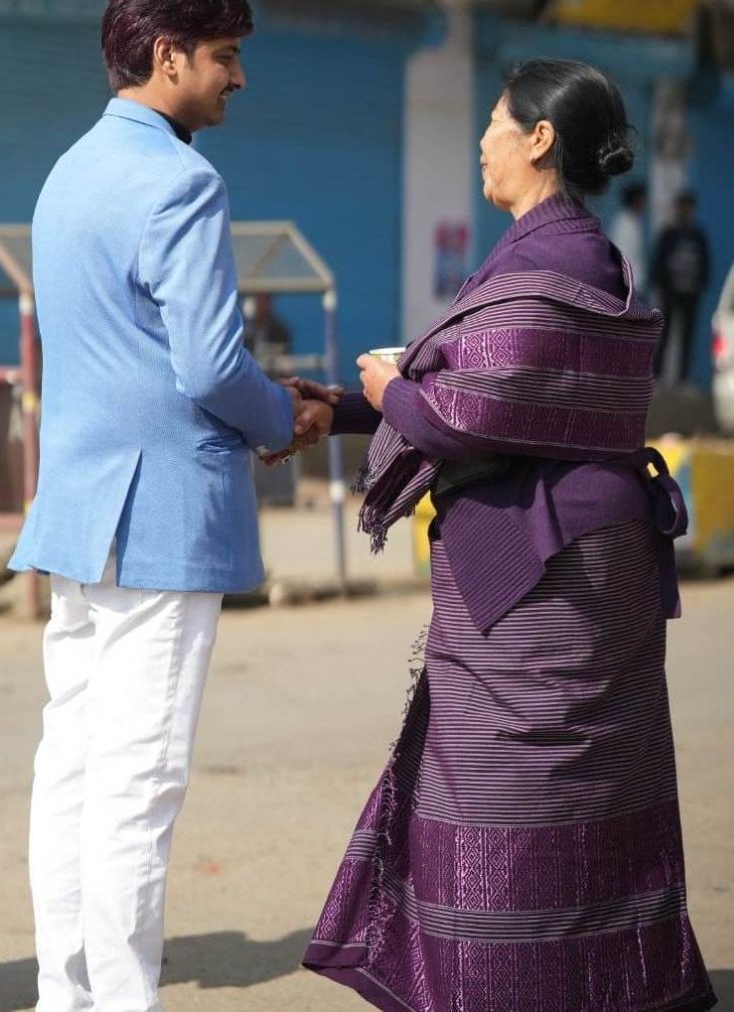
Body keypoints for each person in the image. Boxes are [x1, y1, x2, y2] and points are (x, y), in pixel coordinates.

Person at [292, 59, 715, 1011]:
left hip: (541, 575)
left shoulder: (544, 266)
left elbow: (459, 418)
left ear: (538, 139)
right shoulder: (569, 257)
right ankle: (601, 982)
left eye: (494, 121)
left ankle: (503, 984)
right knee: (581, 790)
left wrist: (385, 392)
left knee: (500, 798)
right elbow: (510, 403)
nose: (481, 138)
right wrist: (345, 410)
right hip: (589, 561)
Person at [8, 0, 331, 1012]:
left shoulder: (66, 172)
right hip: (161, 523)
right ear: (167, 56)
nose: (236, 79)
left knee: (72, 771)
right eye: (225, 55)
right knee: (136, 785)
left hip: (79, 515)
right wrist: (285, 418)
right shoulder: (183, 182)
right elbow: (207, 367)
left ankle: (67, 995)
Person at [652, 190, 711, 383]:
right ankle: (658, 375)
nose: (686, 210)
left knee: (688, 336)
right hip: (670, 292)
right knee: (665, 332)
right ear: (678, 208)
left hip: (691, 293)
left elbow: (705, 262)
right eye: (683, 206)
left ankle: (683, 378)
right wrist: (660, 284)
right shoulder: (669, 233)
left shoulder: (698, 235)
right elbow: (659, 261)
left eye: (689, 206)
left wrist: (702, 284)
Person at [610, 180, 648, 296]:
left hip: (633, 286)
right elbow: (622, 257)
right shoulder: (624, 224)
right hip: (628, 288)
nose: (645, 203)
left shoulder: (633, 222)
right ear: (636, 201)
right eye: (642, 199)